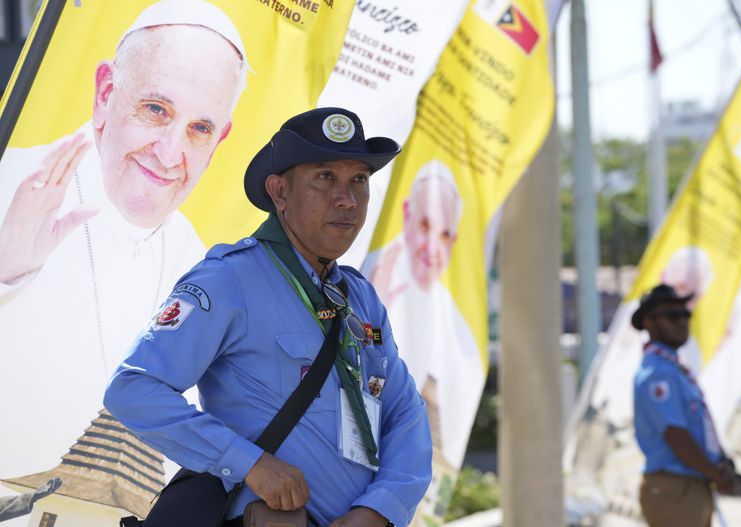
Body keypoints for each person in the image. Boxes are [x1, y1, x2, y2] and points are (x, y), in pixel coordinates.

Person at [104, 107, 433, 527]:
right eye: (325, 177)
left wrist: (379, 508)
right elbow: (133, 388)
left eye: (359, 180)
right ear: (279, 191)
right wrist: (250, 463)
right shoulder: (229, 277)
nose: (347, 199)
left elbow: (405, 413)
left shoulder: (360, 296)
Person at [0, 0, 248, 486]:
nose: (170, 154)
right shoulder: (10, 178)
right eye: (156, 109)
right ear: (106, 93)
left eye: (200, 129)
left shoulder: (207, 270)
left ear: (220, 141)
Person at [363, 159, 483, 470]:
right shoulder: (364, 277)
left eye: (444, 235)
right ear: (406, 215)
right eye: (425, 226)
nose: (432, 248)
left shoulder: (457, 323)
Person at [631, 284, 736, 527]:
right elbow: (675, 435)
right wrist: (714, 473)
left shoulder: (674, 369)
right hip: (674, 487)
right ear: (648, 322)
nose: (682, 321)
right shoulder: (657, 373)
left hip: (689, 485)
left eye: (686, 314)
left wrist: (721, 462)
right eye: (673, 315)